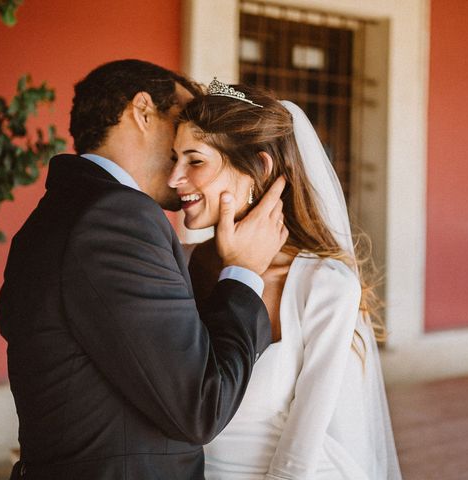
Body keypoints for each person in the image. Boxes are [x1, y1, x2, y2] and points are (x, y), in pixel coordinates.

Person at [0, 61, 289, 480]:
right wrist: (244, 273)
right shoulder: (115, 217)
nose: (180, 162)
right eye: (181, 124)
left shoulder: (57, 215)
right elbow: (200, 408)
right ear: (143, 110)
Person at [169, 79, 402, 479]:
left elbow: (301, 451)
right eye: (173, 159)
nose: (174, 179)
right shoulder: (178, 264)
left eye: (195, 161)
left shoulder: (325, 286)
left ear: (260, 167)